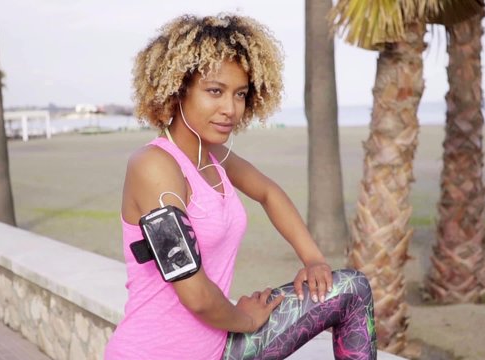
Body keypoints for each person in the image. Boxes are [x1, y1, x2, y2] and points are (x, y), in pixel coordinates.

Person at [104, 14, 376, 360]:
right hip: (155, 352)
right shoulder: (153, 166)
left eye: (241, 94)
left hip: (219, 348)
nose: (230, 109)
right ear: (178, 89)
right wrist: (245, 320)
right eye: (215, 91)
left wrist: (313, 259)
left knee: (352, 289)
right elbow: (197, 296)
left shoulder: (213, 156)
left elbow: (268, 192)